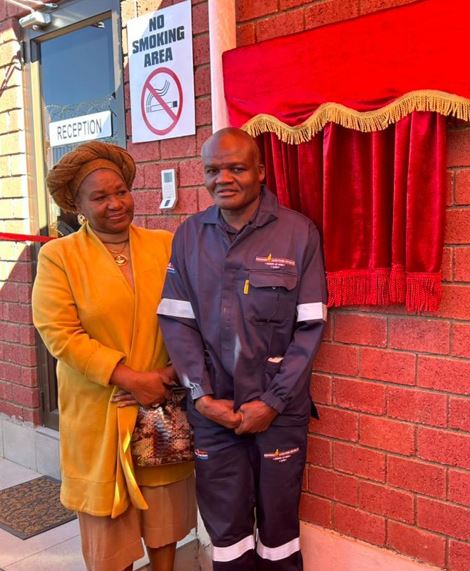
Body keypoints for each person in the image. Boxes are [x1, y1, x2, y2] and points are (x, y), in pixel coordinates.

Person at [157, 127, 327, 571]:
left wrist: (272, 402)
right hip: (213, 412)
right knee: (227, 532)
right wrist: (201, 396)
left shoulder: (298, 233)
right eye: (213, 170)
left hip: (278, 413)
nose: (224, 179)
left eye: (236, 168)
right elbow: (177, 322)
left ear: (261, 171)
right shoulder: (189, 236)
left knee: (279, 530)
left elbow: (310, 328)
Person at [31, 142, 196, 571]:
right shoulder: (59, 257)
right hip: (100, 410)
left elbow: (193, 314)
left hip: (160, 407)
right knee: (108, 530)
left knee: (164, 518)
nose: (116, 203)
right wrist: (129, 378)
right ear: (78, 206)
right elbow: (60, 333)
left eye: (121, 191)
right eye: (100, 197)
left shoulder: (165, 245)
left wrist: (170, 374)